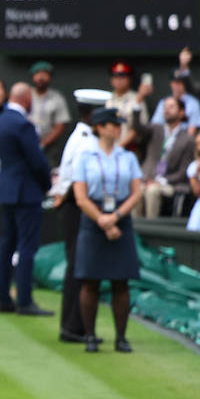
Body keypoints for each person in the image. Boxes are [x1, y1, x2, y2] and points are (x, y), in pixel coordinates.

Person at [72, 107, 143, 352]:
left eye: (119, 124)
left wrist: (116, 217)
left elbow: (136, 192)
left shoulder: (128, 157)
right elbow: (81, 198)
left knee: (120, 281)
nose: (118, 127)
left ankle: (121, 337)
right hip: (93, 219)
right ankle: (90, 336)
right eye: (113, 124)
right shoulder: (85, 157)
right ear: (100, 128)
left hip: (120, 217)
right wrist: (102, 219)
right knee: (90, 280)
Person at [50, 88, 106, 343]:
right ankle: (73, 327)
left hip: (74, 204)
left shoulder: (83, 137)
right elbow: (75, 182)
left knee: (79, 265)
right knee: (77, 265)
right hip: (76, 206)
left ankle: (76, 325)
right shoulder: (86, 142)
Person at [0, 81, 54, 317]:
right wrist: (47, 184)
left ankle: (3, 299)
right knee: (26, 247)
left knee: (7, 245)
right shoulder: (22, 125)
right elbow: (37, 161)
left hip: (7, 190)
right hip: (26, 192)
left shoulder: (0, 123)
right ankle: (25, 301)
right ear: (27, 98)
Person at [140, 96, 197, 219]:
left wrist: (160, 181)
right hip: (147, 179)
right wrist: (138, 103)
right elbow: (137, 128)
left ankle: (150, 228)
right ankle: (134, 230)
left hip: (170, 183)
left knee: (152, 191)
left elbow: (183, 172)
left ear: (182, 112)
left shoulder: (188, 140)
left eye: (171, 107)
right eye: (165, 107)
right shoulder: (155, 129)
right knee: (137, 190)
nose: (167, 110)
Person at [28, 60, 70, 164]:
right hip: (26, 143)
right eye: (37, 74)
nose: (41, 78)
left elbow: (60, 125)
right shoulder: (26, 94)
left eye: (44, 74)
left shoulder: (57, 97)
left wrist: (43, 143)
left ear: (50, 77)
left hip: (48, 148)